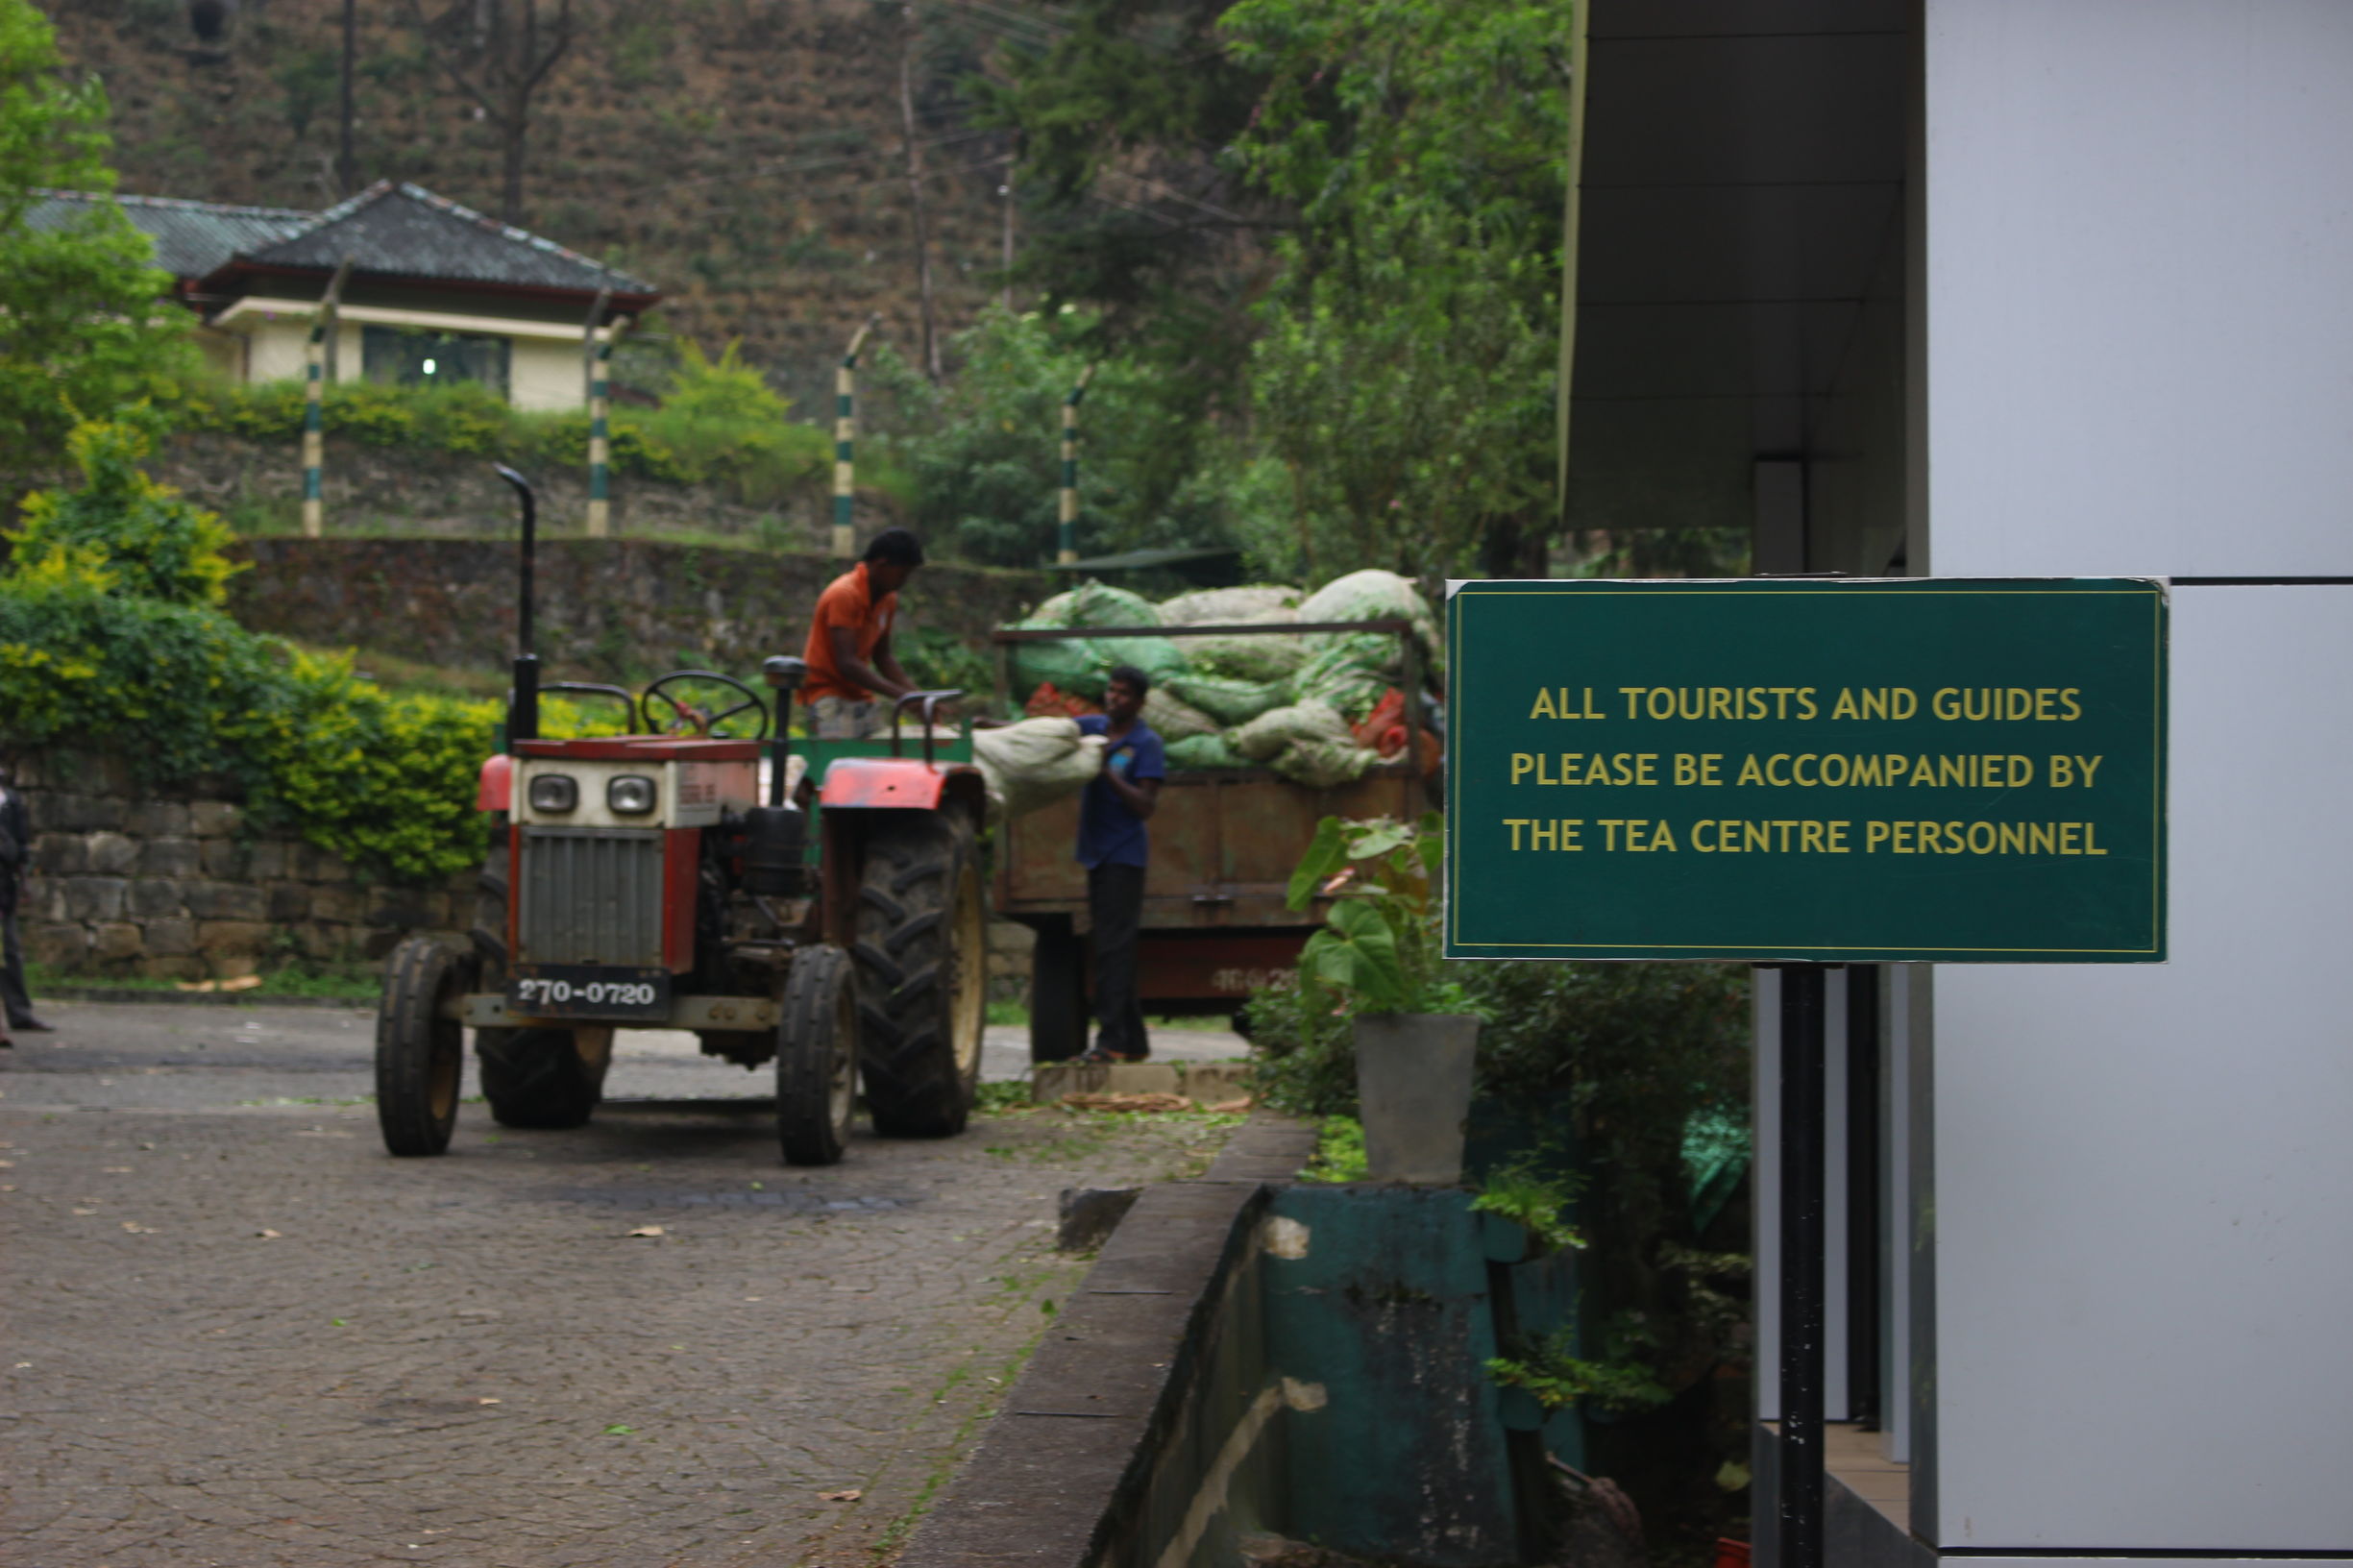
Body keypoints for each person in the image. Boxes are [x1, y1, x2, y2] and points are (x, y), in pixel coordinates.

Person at [1073, 667, 1165, 1064]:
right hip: (1096, 853)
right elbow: (1049, 733)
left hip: (1124, 857)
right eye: (1111, 691)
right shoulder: (1092, 727)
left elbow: (1145, 806)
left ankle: (1109, 1041)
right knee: (1112, 947)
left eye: (1124, 694)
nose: (1115, 699)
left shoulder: (1147, 743)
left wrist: (1105, 772)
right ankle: (1133, 1043)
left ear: (1140, 702)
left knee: (1113, 950)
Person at [801, 528, 925, 740]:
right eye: (902, 573)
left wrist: (918, 697)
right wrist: (901, 696)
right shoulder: (844, 594)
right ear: (881, 564)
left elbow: (882, 657)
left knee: (879, 761)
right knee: (838, 766)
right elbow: (847, 663)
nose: (904, 580)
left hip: (861, 696)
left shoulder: (888, 600)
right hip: (828, 697)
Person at [0, 763, 51, 1045]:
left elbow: (19, 848)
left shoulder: (10, 802)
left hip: (4, 887)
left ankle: (19, 1013)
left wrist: (23, 882)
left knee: (10, 952)